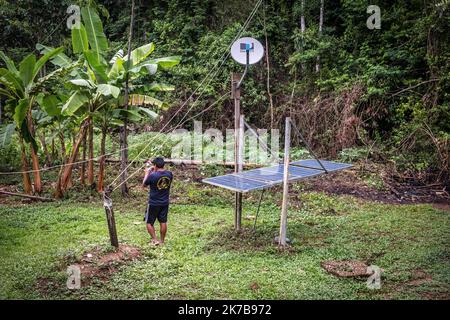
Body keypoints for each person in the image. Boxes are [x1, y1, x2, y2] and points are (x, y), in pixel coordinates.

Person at [143, 157, 173, 245]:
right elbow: (160, 176)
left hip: (153, 203)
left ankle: (154, 240)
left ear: (155, 165)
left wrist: (147, 173)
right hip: (165, 202)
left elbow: (144, 185)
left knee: (149, 222)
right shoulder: (169, 174)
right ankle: (162, 241)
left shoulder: (152, 175)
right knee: (163, 221)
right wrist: (154, 170)